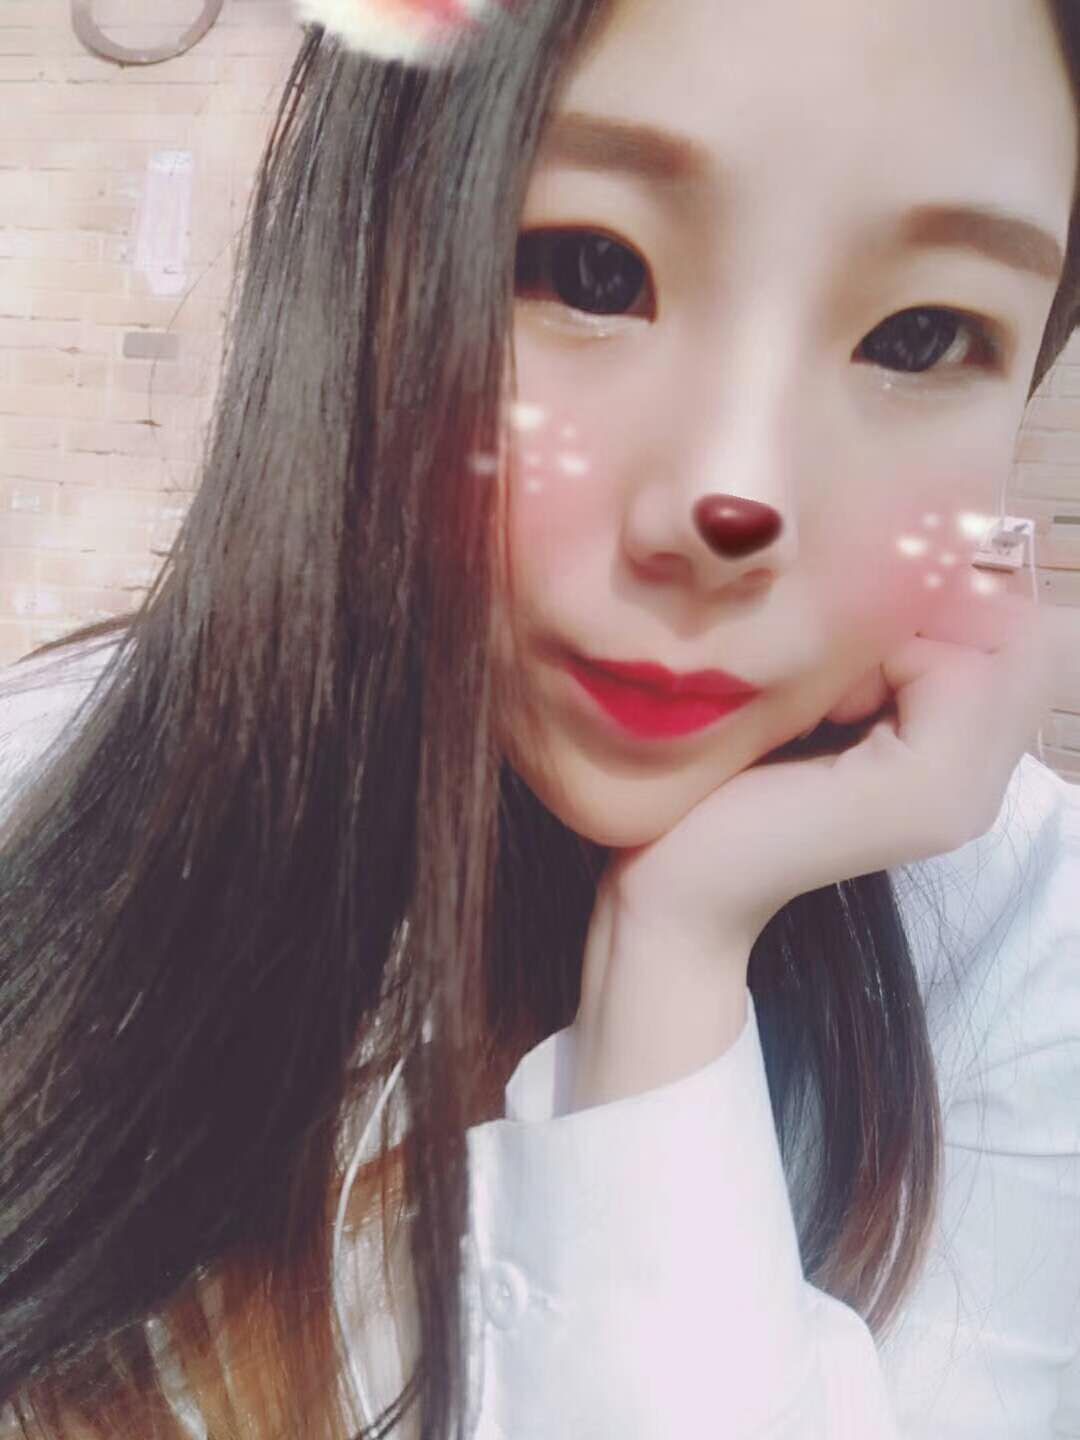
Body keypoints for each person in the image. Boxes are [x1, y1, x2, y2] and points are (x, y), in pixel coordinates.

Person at [0, 0, 1078, 1435]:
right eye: (592, 270)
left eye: (922, 334)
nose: (731, 501)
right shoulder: (43, 784)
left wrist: (675, 960)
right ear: (369, 253)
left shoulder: (1030, 952)